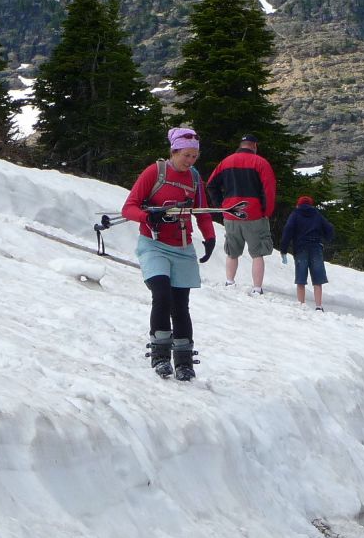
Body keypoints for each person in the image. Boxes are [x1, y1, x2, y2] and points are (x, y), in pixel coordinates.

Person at [122, 127, 215, 381]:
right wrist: (148, 216)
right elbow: (128, 208)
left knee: (180, 304)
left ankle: (184, 361)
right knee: (161, 294)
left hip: (182, 247)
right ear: (174, 151)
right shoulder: (155, 172)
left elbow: (202, 210)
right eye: (186, 155)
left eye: (194, 156)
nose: (190, 161)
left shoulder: (194, 178)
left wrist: (210, 237)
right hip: (153, 243)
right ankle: (160, 354)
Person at [206, 134, 276, 294]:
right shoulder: (261, 163)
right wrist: (267, 211)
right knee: (257, 253)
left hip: (230, 213)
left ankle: (230, 282)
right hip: (254, 214)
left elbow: (211, 185)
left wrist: (221, 206)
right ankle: (257, 288)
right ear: (255, 146)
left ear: (241, 145)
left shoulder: (226, 162)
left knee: (232, 251)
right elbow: (269, 190)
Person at [279, 195, 335, 311]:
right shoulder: (317, 214)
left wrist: (283, 249)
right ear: (311, 204)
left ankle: (301, 305)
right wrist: (327, 238)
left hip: (300, 248)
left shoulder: (295, 214)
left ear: (298, 204)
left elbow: (288, 230)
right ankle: (318, 306)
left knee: (301, 278)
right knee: (318, 278)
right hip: (316, 247)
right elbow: (329, 228)